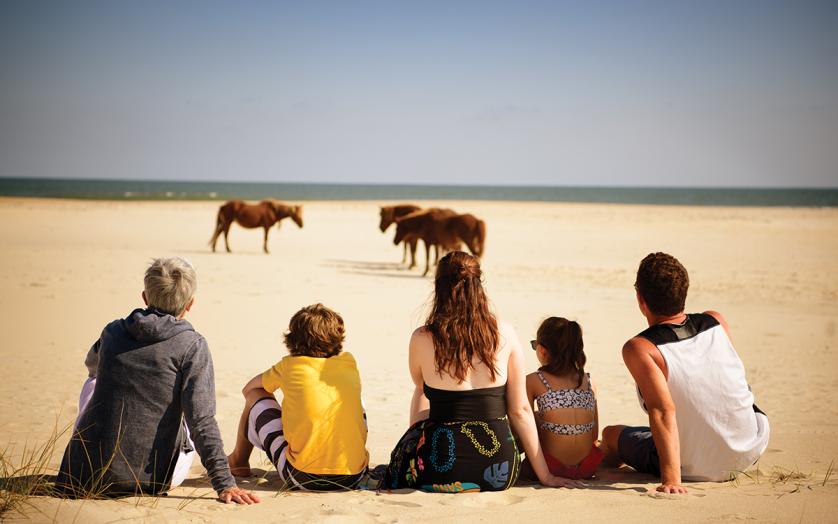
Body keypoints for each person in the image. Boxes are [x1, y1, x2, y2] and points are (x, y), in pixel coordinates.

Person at [56, 257, 258, 504]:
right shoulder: (192, 345)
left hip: (82, 474)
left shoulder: (112, 331)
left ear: (144, 297)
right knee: (188, 407)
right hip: (147, 480)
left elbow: (91, 364)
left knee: (94, 381)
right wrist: (225, 483)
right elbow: (201, 420)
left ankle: (97, 451)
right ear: (190, 304)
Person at [383, 251, 583, 492]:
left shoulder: (422, 337)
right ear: (479, 286)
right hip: (498, 469)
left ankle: (419, 447)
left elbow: (420, 385)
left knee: (421, 390)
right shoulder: (505, 333)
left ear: (439, 287)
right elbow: (520, 410)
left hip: (438, 469)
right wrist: (546, 475)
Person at [602, 252, 770, 493]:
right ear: (684, 292)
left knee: (611, 436)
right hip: (749, 450)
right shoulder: (716, 321)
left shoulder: (641, 349)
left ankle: (599, 464)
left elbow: (662, 411)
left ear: (640, 299)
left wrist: (671, 481)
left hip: (695, 466)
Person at [226, 304, 369, 491]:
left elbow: (249, 389)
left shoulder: (290, 366)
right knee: (352, 400)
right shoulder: (348, 362)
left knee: (255, 396)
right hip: (353, 476)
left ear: (291, 339)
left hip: (302, 476)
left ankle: (239, 460)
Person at [525, 317, 603, 480]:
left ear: (541, 350)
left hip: (550, 465)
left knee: (527, 416)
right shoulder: (589, 381)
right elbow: (594, 435)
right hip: (587, 467)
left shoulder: (535, 380)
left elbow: (523, 424)